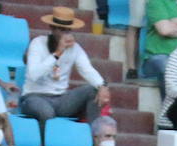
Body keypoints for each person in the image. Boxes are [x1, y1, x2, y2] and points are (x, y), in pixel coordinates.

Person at [21, 7, 110, 136]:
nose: (65, 34)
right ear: (52, 28)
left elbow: (87, 69)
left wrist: (102, 85)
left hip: (61, 99)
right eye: (61, 30)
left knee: (93, 90)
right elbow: (33, 74)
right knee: (46, 112)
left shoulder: (75, 48)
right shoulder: (37, 43)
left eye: (68, 30)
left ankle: (95, 140)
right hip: (34, 96)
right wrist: (57, 53)